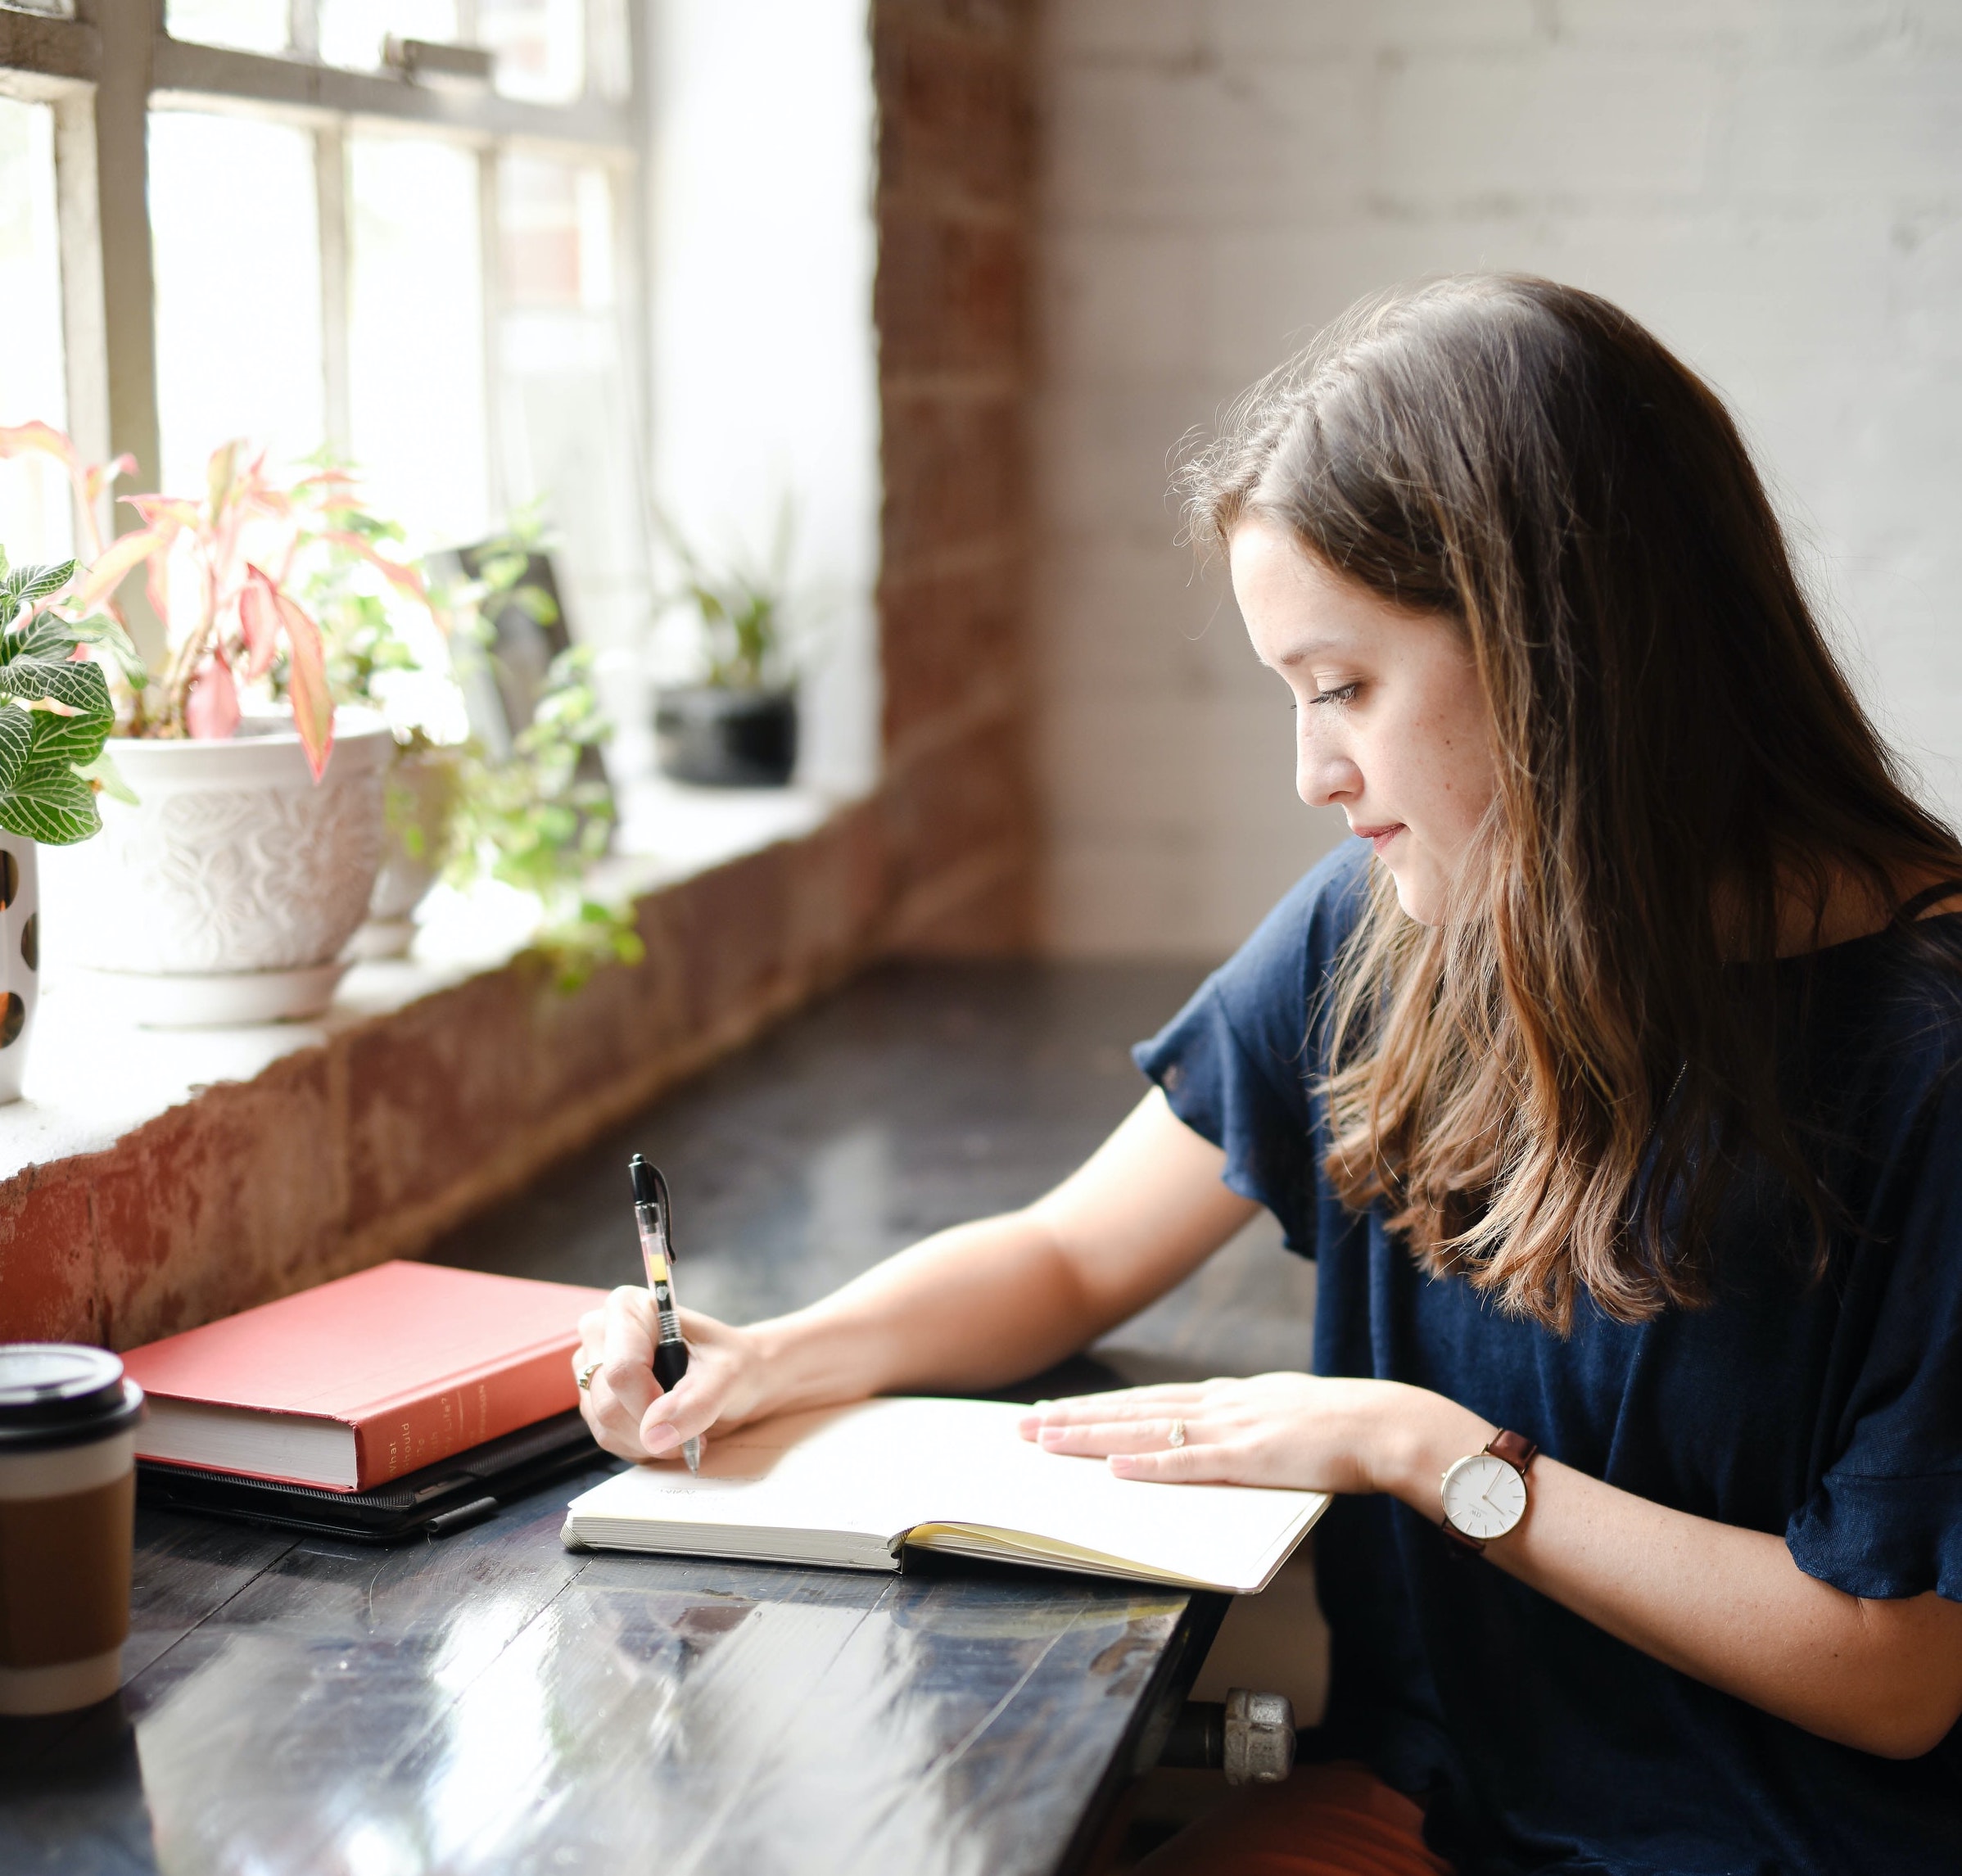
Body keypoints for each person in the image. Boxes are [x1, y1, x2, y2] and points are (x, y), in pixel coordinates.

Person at [575, 276, 1962, 1874]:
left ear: (1560, 652)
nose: (1312, 774)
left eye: (1345, 688)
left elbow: (1892, 1677)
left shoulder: (1924, 1060)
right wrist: (780, 1358)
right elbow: (1072, 1249)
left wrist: (1427, 1455)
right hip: (1436, 1814)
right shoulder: (1392, 928)